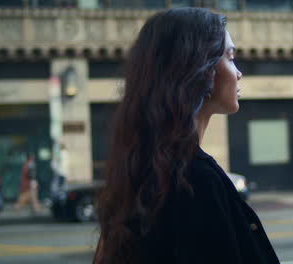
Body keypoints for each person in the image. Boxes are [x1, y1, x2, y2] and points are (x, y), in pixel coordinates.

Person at [94, 7, 280, 264]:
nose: (238, 72)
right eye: (230, 56)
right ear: (202, 69)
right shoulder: (196, 181)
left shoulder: (138, 170)